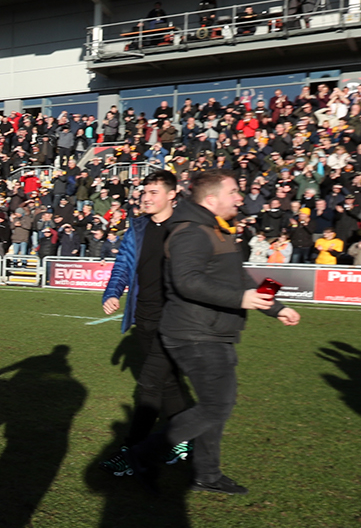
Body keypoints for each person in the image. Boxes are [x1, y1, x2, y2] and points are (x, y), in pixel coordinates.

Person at [128, 170, 300, 495]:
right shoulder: (191, 232)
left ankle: (206, 473)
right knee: (217, 405)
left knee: (215, 405)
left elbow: (242, 278)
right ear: (211, 199)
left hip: (213, 331)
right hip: (195, 333)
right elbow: (187, 280)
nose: (240, 197)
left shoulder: (217, 230)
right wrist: (241, 299)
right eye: (234, 191)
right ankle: (144, 453)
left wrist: (277, 307)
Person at [99, 171, 190, 475]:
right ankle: (185, 441)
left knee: (149, 385)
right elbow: (122, 266)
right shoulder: (137, 229)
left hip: (175, 322)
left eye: (153, 192)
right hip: (143, 318)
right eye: (144, 192)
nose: (146, 197)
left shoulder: (187, 228)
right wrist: (112, 293)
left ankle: (132, 452)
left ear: (172, 194)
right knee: (167, 382)